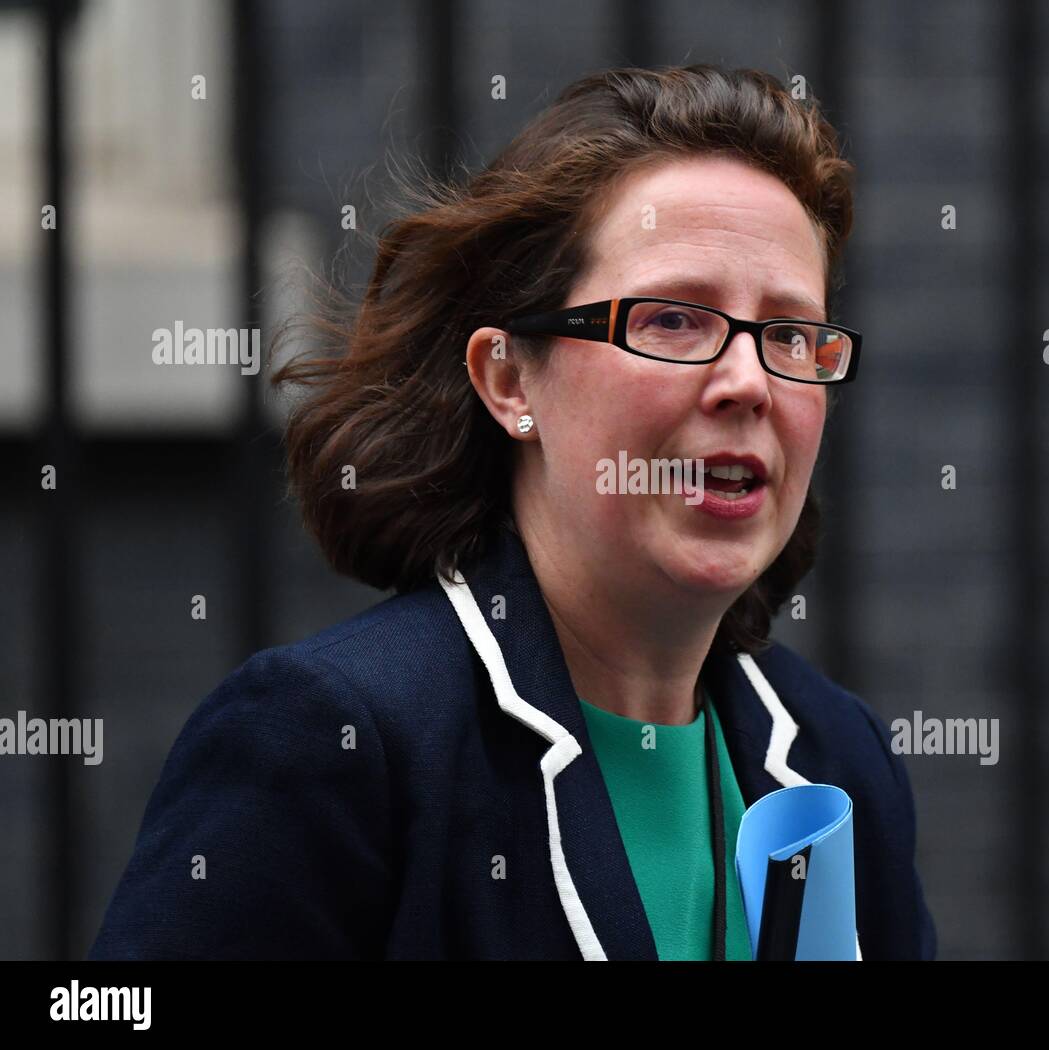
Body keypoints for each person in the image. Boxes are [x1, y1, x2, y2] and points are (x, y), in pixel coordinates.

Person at [88, 64, 937, 961]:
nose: (749, 383)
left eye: (790, 335)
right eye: (673, 320)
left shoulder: (837, 757)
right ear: (507, 379)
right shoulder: (332, 742)